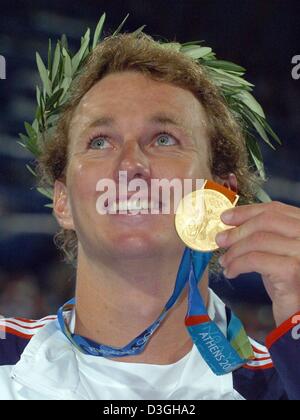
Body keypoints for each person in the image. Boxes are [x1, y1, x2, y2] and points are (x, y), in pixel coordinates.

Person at [0, 31, 299, 400]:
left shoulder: (282, 382)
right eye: (99, 142)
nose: (130, 165)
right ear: (62, 202)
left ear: (221, 196)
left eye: (163, 139)